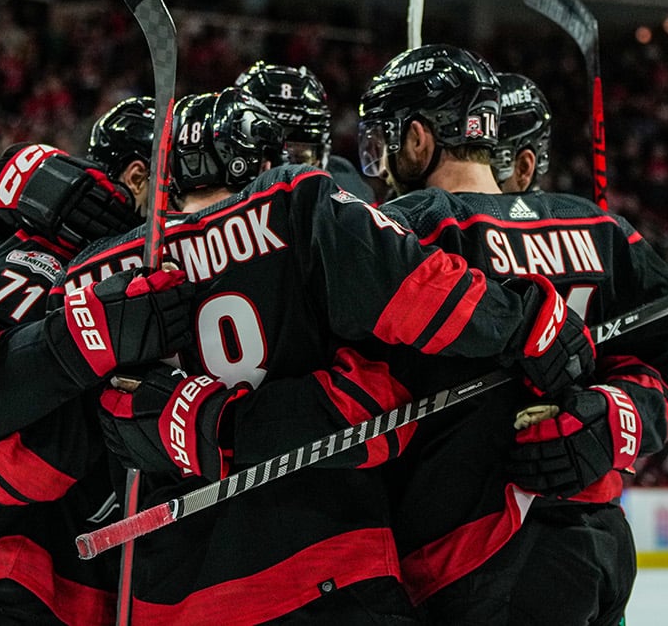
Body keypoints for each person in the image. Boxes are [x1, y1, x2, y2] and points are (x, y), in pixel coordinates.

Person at [83, 87, 594, 624]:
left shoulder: (105, 270)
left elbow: (70, 434)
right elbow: (402, 339)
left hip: (170, 597)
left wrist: (198, 428)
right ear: (261, 160)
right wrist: (525, 321)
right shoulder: (294, 200)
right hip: (328, 572)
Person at [358, 45, 668, 625]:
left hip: (473, 566)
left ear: (417, 140)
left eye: (384, 145)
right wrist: (618, 416)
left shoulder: (407, 233)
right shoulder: (600, 227)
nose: (378, 169)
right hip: (603, 547)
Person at [0, 100, 169, 626]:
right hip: (14, 574)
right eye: (172, 186)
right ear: (138, 176)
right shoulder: (47, 254)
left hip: (81, 581)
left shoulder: (143, 271)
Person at [234, 61, 375, 201]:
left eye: (299, 157)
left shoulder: (344, 179)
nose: (284, 173)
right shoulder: (219, 190)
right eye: (269, 156)